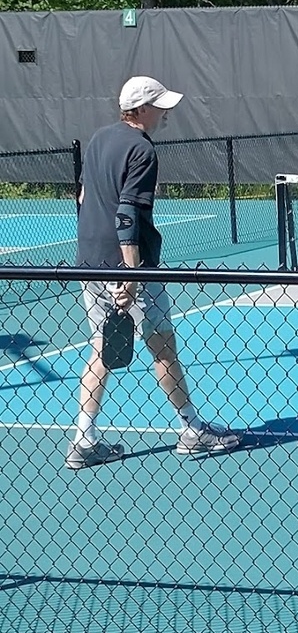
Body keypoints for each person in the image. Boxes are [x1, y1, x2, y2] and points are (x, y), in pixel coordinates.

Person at [66, 75, 241, 470]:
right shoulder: (142, 150)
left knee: (100, 347)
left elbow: (83, 197)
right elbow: (127, 216)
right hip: (130, 266)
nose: (165, 112)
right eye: (160, 106)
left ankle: (83, 439)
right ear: (142, 109)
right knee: (162, 345)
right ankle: (192, 429)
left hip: (89, 262)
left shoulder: (98, 139)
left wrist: (97, 255)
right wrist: (130, 276)